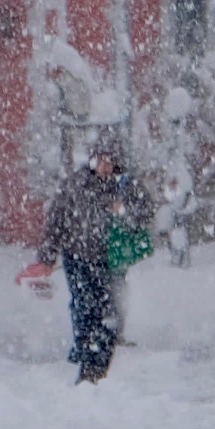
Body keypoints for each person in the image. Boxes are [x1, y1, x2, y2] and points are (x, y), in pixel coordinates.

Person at [19, 136, 152, 383]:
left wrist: (123, 211)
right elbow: (55, 222)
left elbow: (145, 214)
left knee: (110, 311)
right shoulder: (74, 185)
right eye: (101, 160)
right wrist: (47, 258)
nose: (105, 166)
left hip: (111, 261)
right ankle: (86, 355)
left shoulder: (126, 186)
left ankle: (99, 361)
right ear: (92, 160)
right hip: (77, 258)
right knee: (84, 307)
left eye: (110, 161)